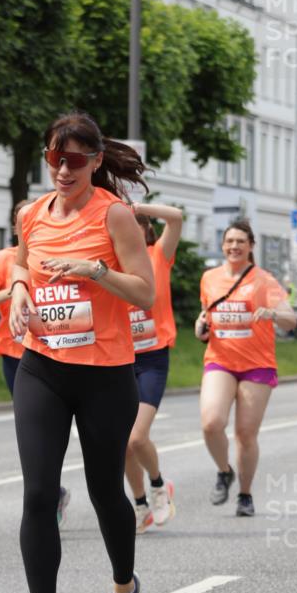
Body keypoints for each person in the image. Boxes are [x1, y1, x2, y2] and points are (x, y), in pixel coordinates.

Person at [8, 112, 154, 593]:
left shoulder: (116, 216)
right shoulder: (31, 214)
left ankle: (123, 592)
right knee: (39, 492)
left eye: (73, 160)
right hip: (42, 366)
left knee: (103, 491)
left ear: (95, 161)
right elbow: (23, 266)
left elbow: (144, 292)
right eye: (54, 157)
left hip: (105, 374)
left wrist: (95, 270)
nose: (62, 169)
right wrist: (20, 292)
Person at [0, 201, 71, 528]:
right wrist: (15, 291)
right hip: (15, 357)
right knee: (34, 434)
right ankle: (50, 492)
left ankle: (49, 492)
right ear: (17, 226)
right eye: (21, 221)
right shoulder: (4, 259)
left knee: (51, 430)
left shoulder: (57, 253)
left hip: (54, 354)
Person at [196, 219, 296, 517]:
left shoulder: (265, 281)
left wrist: (275, 313)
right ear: (223, 245)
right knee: (211, 423)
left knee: (245, 433)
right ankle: (224, 471)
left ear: (251, 246)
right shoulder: (210, 278)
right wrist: (200, 327)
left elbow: (291, 320)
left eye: (241, 241)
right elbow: (206, 318)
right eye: (229, 241)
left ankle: (245, 493)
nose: (234, 246)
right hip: (220, 359)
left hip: (257, 364)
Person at [126, 202, 183, 532]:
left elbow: (175, 217)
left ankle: (159, 485)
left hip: (152, 358)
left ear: (147, 229)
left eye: (138, 224)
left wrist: (131, 205)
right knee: (119, 443)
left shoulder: (158, 255)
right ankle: (140, 504)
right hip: (118, 359)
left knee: (136, 438)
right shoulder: (113, 264)